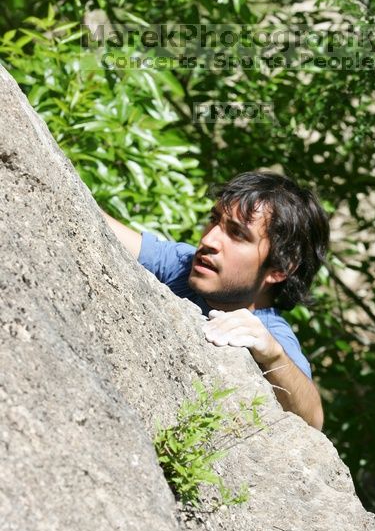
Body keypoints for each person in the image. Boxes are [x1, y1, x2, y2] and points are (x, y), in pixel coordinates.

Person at [101, 171, 329, 430]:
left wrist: (274, 357)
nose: (208, 240)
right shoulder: (184, 266)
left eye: (237, 234)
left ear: (280, 268)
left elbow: (313, 421)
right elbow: (95, 223)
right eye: (214, 220)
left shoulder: (270, 335)